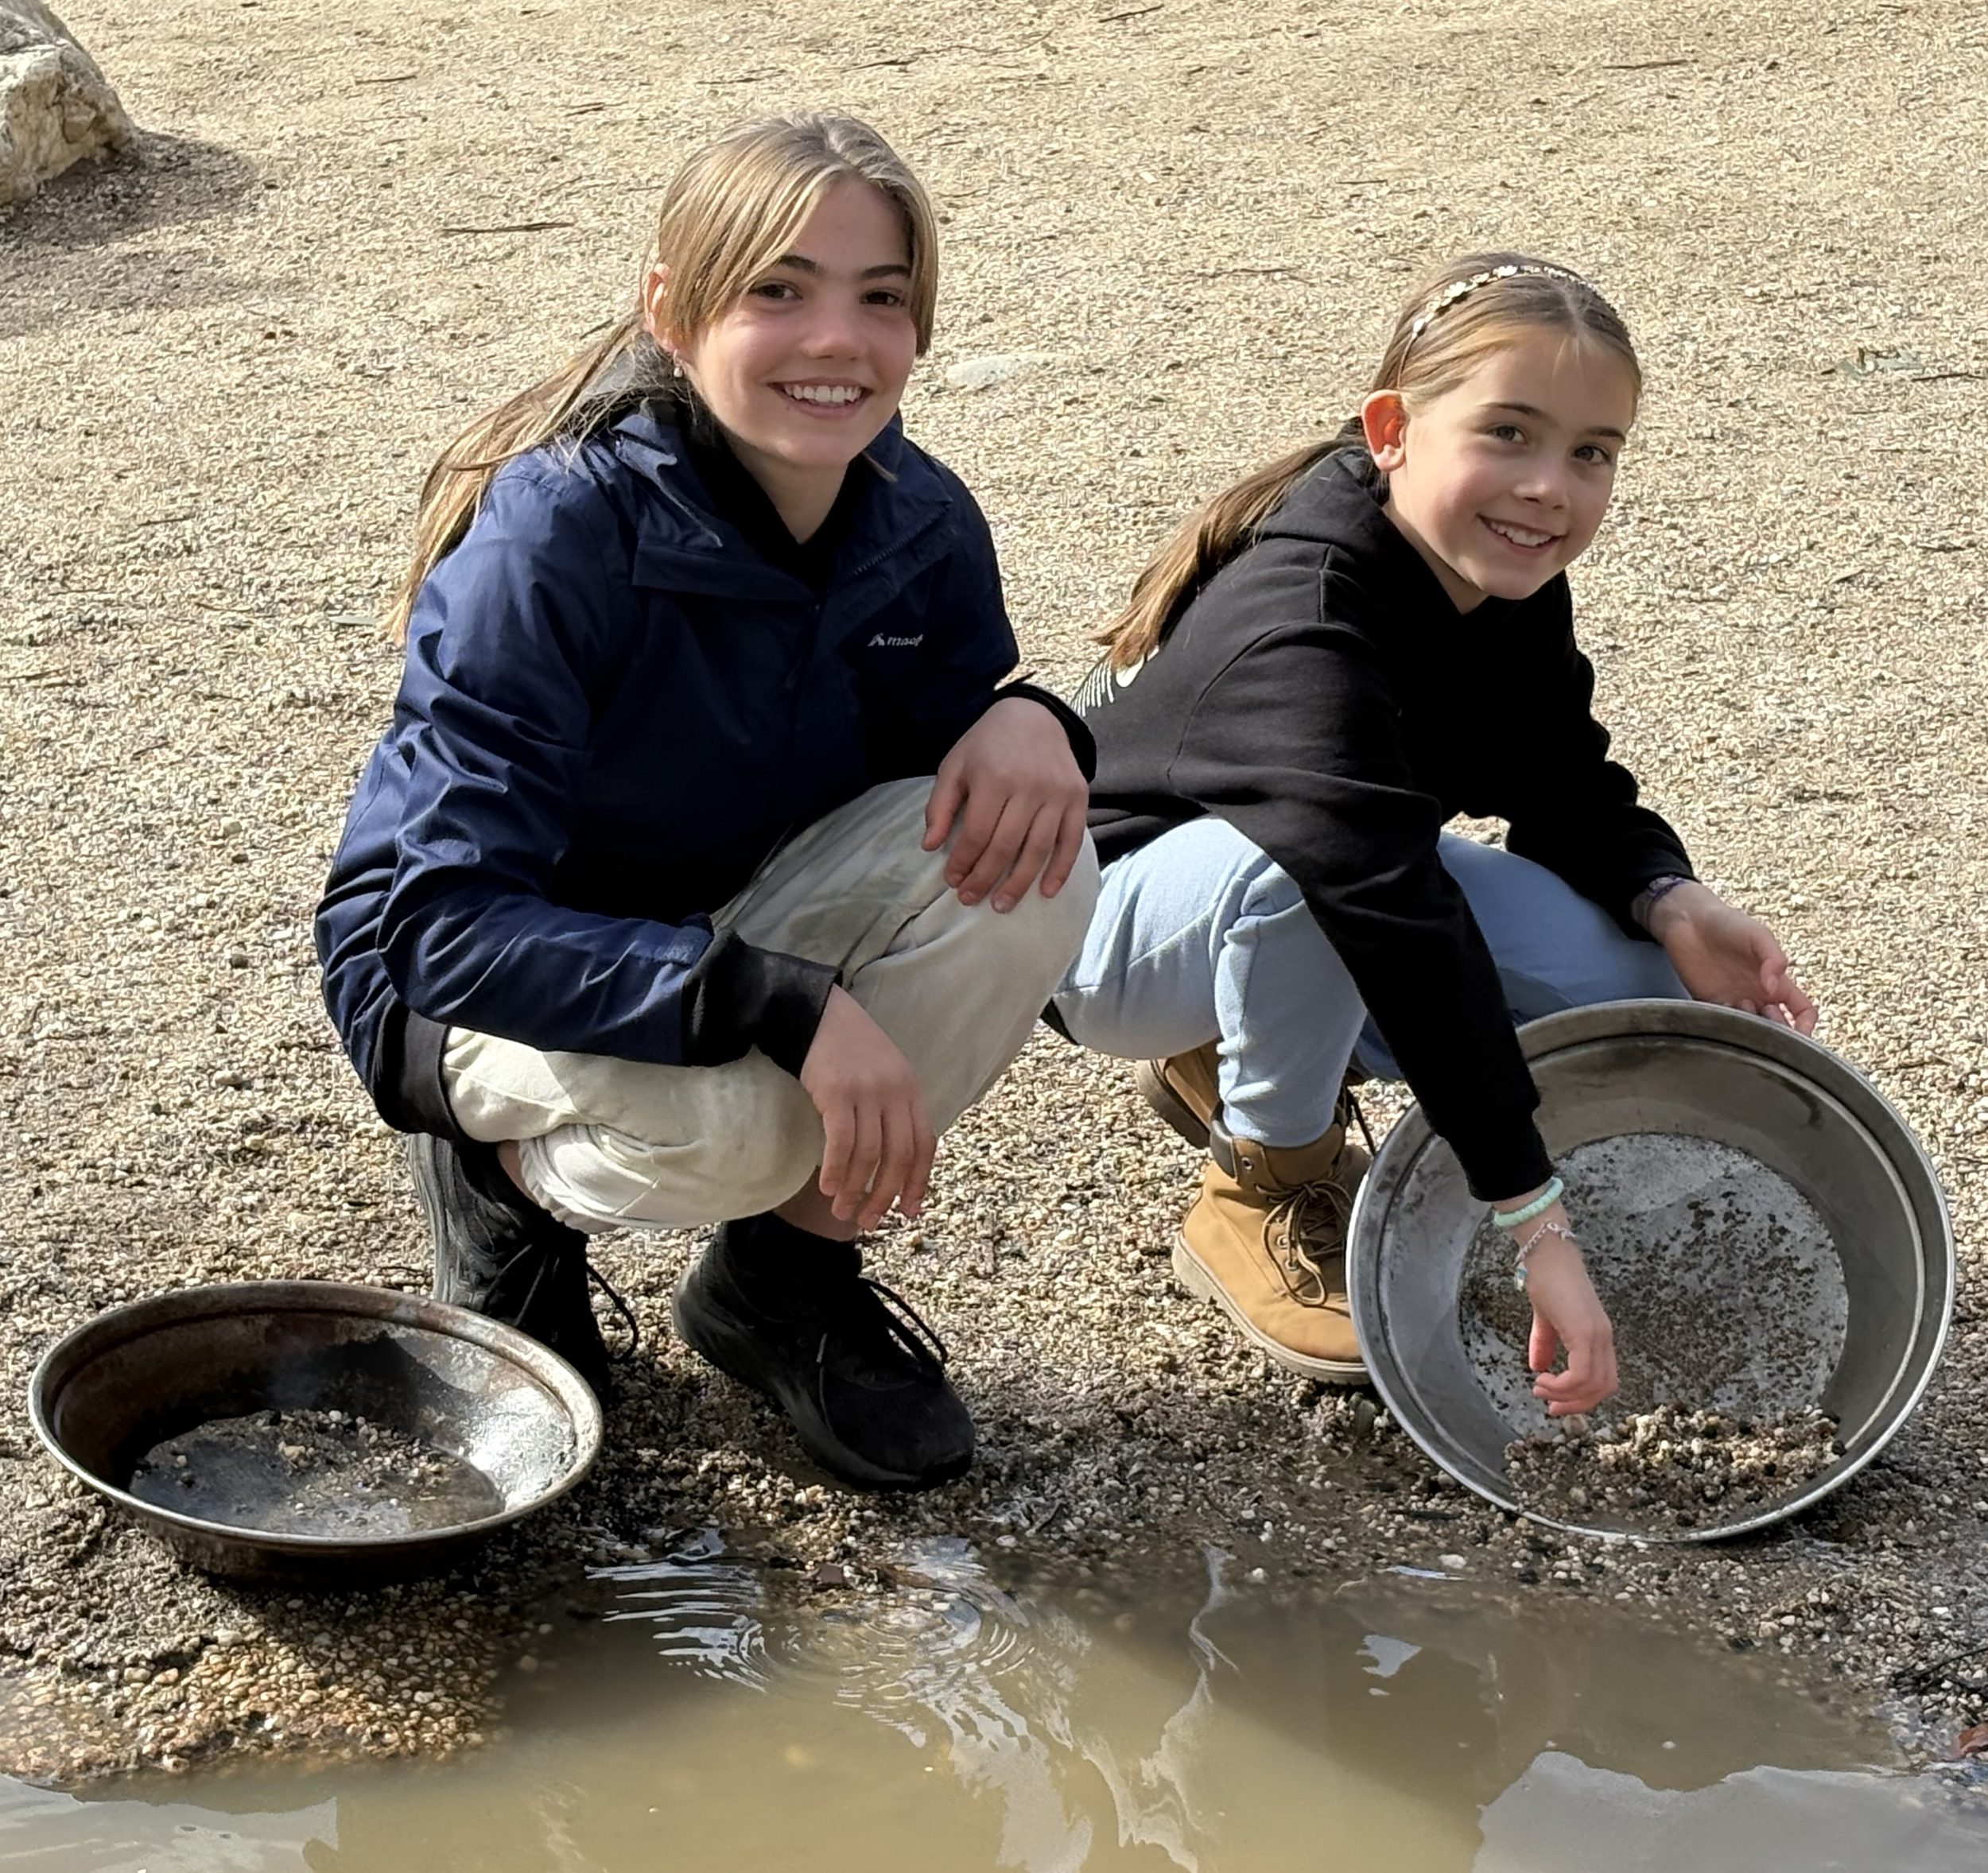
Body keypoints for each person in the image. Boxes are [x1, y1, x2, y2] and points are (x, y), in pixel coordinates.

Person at [314, 114, 1099, 1491]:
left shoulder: (919, 519)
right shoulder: (555, 530)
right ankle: (495, 1183)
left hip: (724, 918)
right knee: (737, 1127)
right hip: (477, 978)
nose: (837, 341)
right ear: (670, 311)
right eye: (778, 290)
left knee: (1036, 858)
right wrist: (784, 1005)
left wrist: (1036, 718)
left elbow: (940, 757)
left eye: (882, 298)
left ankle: (778, 1285)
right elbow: (443, 924)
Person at [1050, 253, 1813, 1414]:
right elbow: (1385, 908)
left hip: (1346, 878)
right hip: (1104, 929)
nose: (1549, 487)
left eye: (1592, 452)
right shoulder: (1304, 615)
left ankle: (1254, 1043)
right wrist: (1533, 1217)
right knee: (1302, 879)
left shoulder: (1502, 569)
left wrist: (1670, 897)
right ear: (1392, 430)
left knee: (1650, 993)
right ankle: (1260, 1187)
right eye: (1508, 433)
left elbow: (1561, 778)